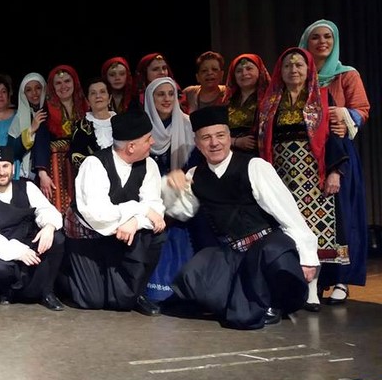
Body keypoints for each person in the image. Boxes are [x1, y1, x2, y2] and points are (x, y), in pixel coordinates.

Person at [162, 105, 318, 329]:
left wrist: (308, 257)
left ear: (229, 137)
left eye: (220, 135)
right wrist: (170, 185)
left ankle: (275, 302)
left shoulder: (255, 166)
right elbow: (181, 211)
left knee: (271, 255)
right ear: (197, 143)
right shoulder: (195, 175)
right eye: (206, 138)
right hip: (233, 252)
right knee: (194, 275)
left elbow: (288, 214)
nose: (214, 143)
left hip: (267, 248)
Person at [258, 47, 351, 313]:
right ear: (280, 71)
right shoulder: (270, 102)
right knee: (286, 229)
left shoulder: (321, 97)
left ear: (309, 69)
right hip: (280, 176)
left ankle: (312, 290)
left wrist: (335, 171)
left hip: (313, 175)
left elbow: (334, 138)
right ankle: (289, 287)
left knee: (316, 230)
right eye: (288, 66)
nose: (293, 70)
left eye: (299, 65)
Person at [63, 111, 165, 314]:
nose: (152, 142)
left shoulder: (149, 164)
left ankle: (137, 293)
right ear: (131, 147)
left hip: (122, 235)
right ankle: (64, 274)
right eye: (148, 139)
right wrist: (140, 209)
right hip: (89, 238)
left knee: (156, 234)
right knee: (92, 300)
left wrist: (135, 222)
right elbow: (98, 214)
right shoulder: (94, 164)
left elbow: (156, 209)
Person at [299, 19, 370, 306]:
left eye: (327, 36)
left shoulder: (346, 75)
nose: (322, 42)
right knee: (312, 218)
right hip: (306, 157)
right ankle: (316, 279)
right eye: (315, 37)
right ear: (306, 43)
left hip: (338, 154)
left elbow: (361, 110)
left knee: (342, 216)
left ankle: (341, 279)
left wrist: (342, 114)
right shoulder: (299, 74)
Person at [0, 145, 65, 311]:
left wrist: (49, 227)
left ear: (13, 168)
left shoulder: (27, 187)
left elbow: (46, 210)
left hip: (31, 242)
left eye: (5, 166)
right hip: (5, 249)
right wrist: (19, 252)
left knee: (57, 238)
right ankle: (8, 294)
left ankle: (47, 292)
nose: (2, 172)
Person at [142, 76, 198, 302]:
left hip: (178, 190)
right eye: (160, 94)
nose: (166, 99)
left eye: (171, 94)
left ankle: (180, 291)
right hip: (146, 189)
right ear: (150, 98)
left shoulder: (186, 123)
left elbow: (195, 159)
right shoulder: (142, 125)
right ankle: (153, 290)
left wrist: (181, 174)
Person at [41, 65, 88, 212]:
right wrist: (43, 174)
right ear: (52, 87)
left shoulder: (86, 108)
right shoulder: (46, 111)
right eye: (58, 83)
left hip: (83, 165)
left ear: (75, 82)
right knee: (58, 210)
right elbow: (40, 144)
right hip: (56, 169)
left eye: (67, 81)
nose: (63, 86)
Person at [7, 73, 47, 189]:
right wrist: (31, 129)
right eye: (29, 90)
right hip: (29, 177)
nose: (34, 93)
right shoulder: (19, 118)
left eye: (38, 88)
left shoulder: (54, 113)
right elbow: (12, 151)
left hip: (56, 168)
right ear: (23, 94)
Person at [224, 53, 271, 154]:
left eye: (249, 69)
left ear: (259, 71)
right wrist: (236, 142)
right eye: (239, 71)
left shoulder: (269, 99)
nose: (244, 73)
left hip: (258, 154)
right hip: (229, 153)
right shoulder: (227, 101)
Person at [68, 77, 115, 172]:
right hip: (93, 175)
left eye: (102, 92)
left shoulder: (122, 122)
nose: (98, 96)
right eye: (93, 93)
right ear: (88, 100)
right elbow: (75, 156)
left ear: (109, 98)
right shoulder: (80, 126)